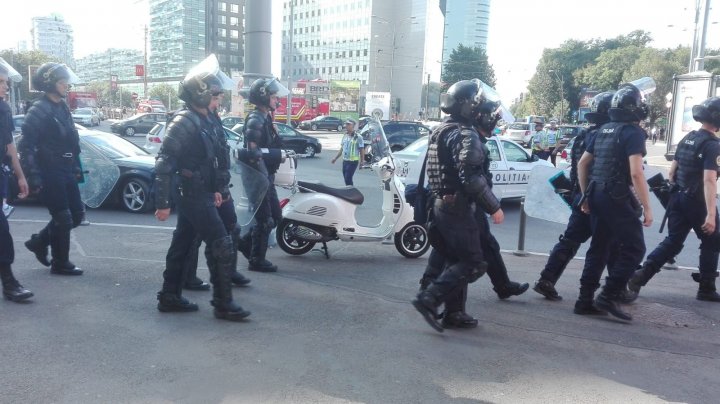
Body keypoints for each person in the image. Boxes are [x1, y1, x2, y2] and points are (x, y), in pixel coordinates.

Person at [153, 54, 250, 321]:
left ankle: (169, 295)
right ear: (200, 95)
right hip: (190, 193)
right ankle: (223, 303)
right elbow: (164, 162)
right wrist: (162, 203)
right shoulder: (185, 120)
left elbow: (213, 159)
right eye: (216, 95)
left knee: (183, 244)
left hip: (201, 192)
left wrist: (218, 188)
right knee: (220, 243)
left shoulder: (206, 119)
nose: (219, 100)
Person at [412, 79, 503, 332]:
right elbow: (471, 177)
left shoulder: (443, 129)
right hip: (457, 209)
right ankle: (429, 299)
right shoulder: (465, 134)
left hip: (441, 205)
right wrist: (494, 207)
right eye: (478, 103)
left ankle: (454, 313)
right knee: (472, 263)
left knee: (455, 260)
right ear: (468, 106)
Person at [626, 97, 720, 302]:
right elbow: (710, 180)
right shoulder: (713, 145)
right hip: (698, 201)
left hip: (677, 197)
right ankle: (706, 288)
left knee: (673, 242)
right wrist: (711, 214)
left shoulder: (688, 138)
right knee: (712, 240)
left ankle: (640, 276)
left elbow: (672, 172)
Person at [577, 81, 654, 321]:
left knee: (598, 248)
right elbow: (636, 173)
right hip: (616, 195)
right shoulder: (633, 133)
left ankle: (584, 300)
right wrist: (647, 208)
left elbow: (583, 164)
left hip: (597, 193)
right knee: (635, 248)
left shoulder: (603, 129)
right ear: (635, 108)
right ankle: (608, 295)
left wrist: (585, 195)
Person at [533, 91, 615, 315]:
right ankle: (604, 293)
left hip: (580, 196)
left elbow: (574, 169)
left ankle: (547, 278)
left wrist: (578, 194)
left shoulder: (583, 136)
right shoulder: (607, 137)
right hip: (598, 197)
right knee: (605, 247)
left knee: (569, 241)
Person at [20, 63, 85, 276]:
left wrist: (75, 166)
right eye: (61, 81)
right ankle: (60, 263)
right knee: (63, 217)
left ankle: (39, 241)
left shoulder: (62, 107)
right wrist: (34, 176)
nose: (66, 85)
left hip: (65, 169)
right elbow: (26, 145)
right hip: (49, 171)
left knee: (76, 215)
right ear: (49, 83)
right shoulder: (39, 109)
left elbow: (71, 142)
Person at [182, 90, 251, 291]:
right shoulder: (193, 119)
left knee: (232, 228)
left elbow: (219, 153)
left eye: (218, 98)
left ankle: (229, 272)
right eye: (215, 98)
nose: (218, 101)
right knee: (193, 236)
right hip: (202, 187)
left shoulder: (212, 119)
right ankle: (189, 278)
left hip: (218, 184)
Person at [241, 78, 288, 273]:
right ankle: (256, 260)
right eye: (274, 96)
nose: (277, 100)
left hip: (266, 176)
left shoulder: (266, 118)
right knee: (265, 220)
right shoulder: (255, 119)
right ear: (264, 96)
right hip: (258, 178)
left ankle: (244, 244)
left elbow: (270, 146)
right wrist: (274, 154)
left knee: (276, 216)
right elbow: (252, 153)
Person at [0, 57, 33, 302]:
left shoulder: (3, 109)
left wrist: (20, 176)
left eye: (6, 83)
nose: (6, 87)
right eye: (1, 82)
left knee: (2, 231)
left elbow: (9, 144)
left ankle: (9, 283)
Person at [331, 118, 365, 186]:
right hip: (345, 161)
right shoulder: (345, 136)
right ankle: (349, 191)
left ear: (353, 126)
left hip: (353, 162)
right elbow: (342, 149)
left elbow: (362, 150)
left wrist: (362, 162)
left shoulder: (358, 137)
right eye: (346, 124)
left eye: (348, 124)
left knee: (348, 178)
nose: (346, 126)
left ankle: (351, 193)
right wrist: (335, 158)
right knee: (346, 179)